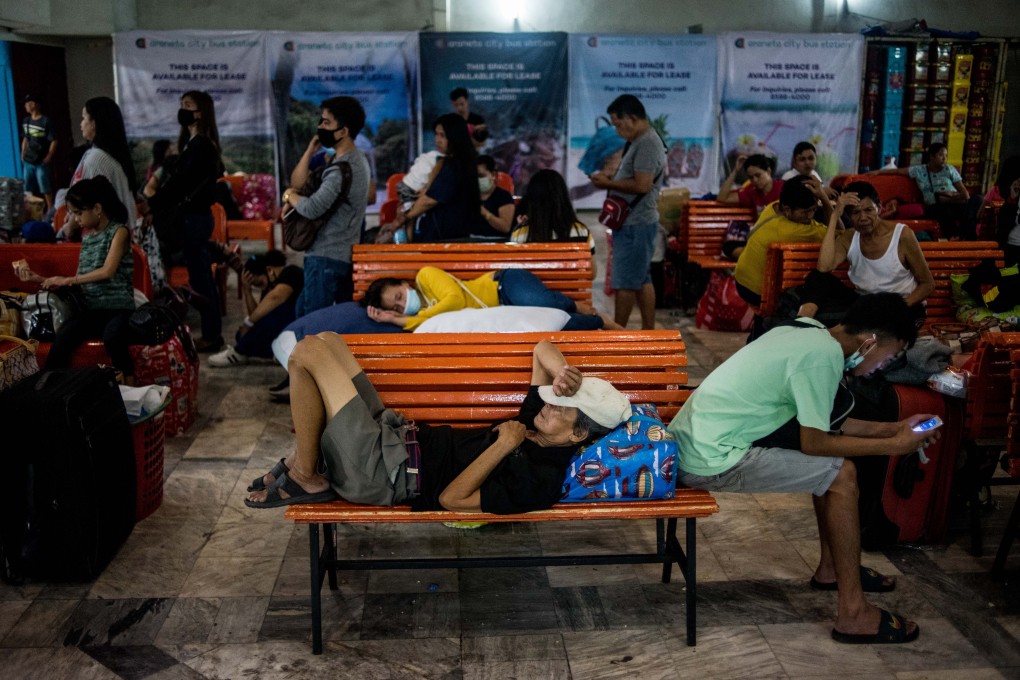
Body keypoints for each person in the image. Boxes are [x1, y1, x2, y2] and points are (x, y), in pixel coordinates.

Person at [668, 292, 933, 645]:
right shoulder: (820, 358)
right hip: (710, 457)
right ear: (869, 343)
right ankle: (853, 613)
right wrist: (893, 446)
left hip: (696, 442)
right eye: (890, 355)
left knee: (831, 471)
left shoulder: (807, 331)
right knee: (842, 475)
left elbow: (827, 422)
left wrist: (894, 428)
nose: (884, 366)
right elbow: (815, 442)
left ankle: (831, 569)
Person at [244, 336, 631, 512]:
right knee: (326, 342)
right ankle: (304, 464)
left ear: (579, 434)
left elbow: (451, 500)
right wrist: (564, 374)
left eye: (562, 408)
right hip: (392, 436)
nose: (550, 405)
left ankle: (305, 472)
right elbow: (541, 348)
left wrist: (502, 445)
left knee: (307, 352)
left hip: (385, 474)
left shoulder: (541, 479)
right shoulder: (538, 420)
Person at [13, 177, 136, 380]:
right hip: (91, 311)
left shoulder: (119, 232)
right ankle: (52, 389)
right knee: (63, 337)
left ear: (97, 208)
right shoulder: (87, 238)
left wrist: (68, 279)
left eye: (79, 213)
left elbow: (107, 271)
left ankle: (130, 385)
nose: (75, 218)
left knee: (113, 336)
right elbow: (77, 281)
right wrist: (39, 278)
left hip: (118, 310)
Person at [141, 90, 225, 351]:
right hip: (194, 219)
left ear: (201, 112)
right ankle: (212, 333)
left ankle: (211, 336)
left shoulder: (200, 145)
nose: (182, 109)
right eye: (182, 104)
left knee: (202, 280)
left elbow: (179, 184)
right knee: (201, 279)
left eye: (188, 105)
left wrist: (152, 203)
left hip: (195, 219)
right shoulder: (195, 143)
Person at [797, 181, 934, 327]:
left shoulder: (902, 235)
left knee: (875, 328)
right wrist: (835, 215)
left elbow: (928, 284)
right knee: (818, 278)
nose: (863, 218)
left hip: (902, 307)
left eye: (869, 210)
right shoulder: (849, 237)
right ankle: (801, 324)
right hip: (865, 305)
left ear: (879, 208)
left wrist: (900, 306)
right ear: (848, 216)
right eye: (855, 212)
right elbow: (824, 267)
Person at [281, 96, 370, 315]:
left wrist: (289, 196)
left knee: (311, 326)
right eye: (321, 121)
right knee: (306, 315)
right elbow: (299, 180)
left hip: (325, 256)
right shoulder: (357, 160)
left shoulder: (341, 169)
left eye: (326, 123)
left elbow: (312, 208)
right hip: (341, 254)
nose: (320, 127)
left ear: (343, 131)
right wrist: (311, 149)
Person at [589, 94, 665, 330]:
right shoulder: (638, 141)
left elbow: (643, 184)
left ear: (632, 118)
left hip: (636, 222)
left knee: (625, 283)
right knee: (642, 279)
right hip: (633, 222)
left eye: (619, 125)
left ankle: (617, 335)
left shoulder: (648, 143)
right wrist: (611, 178)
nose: (618, 131)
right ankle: (648, 332)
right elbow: (634, 177)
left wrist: (608, 184)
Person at [363, 266, 620, 332]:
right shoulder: (420, 322)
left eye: (399, 296)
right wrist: (398, 321)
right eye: (396, 307)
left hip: (504, 285)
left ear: (404, 284)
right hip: (503, 314)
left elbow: (453, 301)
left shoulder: (425, 276)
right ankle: (598, 321)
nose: (402, 305)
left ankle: (576, 305)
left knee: (547, 304)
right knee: (550, 322)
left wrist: (408, 319)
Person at [733, 176, 830, 307]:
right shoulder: (795, 231)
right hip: (759, 293)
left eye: (813, 209)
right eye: (805, 212)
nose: (810, 216)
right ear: (788, 210)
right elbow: (838, 234)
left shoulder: (773, 207)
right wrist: (824, 198)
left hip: (741, 280)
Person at [383, 114, 480, 243]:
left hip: (446, 239)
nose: (437, 140)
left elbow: (429, 200)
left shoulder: (455, 165)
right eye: (436, 134)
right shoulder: (457, 162)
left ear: (455, 137)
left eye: (443, 136)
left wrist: (404, 217)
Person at [208, 251, 304, 367]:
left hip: (301, 324)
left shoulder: (291, 272)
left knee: (273, 315)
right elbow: (258, 317)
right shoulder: (270, 286)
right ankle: (278, 353)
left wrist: (248, 323)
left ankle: (239, 351)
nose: (263, 287)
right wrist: (247, 291)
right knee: (242, 334)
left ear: (269, 270)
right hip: (287, 331)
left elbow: (277, 296)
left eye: (260, 282)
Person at [872, 142, 976, 239]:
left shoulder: (949, 169)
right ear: (932, 156)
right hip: (934, 206)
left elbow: (964, 193)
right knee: (944, 212)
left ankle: (967, 239)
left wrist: (951, 196)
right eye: (941, 155)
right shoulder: (919, 171)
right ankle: (955, 238)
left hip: (953, 202)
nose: (944, 159)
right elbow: (898, 171)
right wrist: (877, 172)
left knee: (976, 202)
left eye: (946, 156)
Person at [66, 97, 138, 232]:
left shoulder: (97, 160)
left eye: (84, 118)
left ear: (94, 123)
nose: (81, 124)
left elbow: (85, 206)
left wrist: (67, 229)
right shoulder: (109, 156)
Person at [511, 168, 596, 276]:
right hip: (569, 292)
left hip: (535, 292)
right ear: (563, 197)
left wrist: (520, 227)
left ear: (532, 200)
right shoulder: (581, 231)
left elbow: (517, 274)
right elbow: (591, 273)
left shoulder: (521, 234)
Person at [20, 95, 58, 212]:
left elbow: (54, 140)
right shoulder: (26, 121)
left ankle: (50, 210)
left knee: (45, 187)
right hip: (28, 160)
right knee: (27, 187)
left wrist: (49, 156)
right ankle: (30, 211)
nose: (26, 106)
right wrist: (23, 153)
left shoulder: (45, 121)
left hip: (41, 161)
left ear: (34, 104)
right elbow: (25, 138)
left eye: (28, 103)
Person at [717, 153, 784, 218]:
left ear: (768, 172)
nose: (755, 180)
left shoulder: (784, 188)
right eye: (751, 177)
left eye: (758, 175)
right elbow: (722, 198)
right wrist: (735, 171)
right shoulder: (752, 192)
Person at [473, 154, 515, 239]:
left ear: (493, 175)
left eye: (481, 176)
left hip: (496, 243)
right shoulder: (470, 196)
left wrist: (485, 213)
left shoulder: (503, 197)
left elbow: (506, 227)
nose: (478, 180)